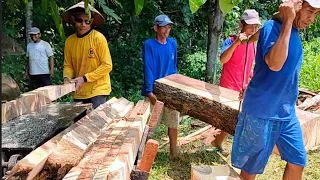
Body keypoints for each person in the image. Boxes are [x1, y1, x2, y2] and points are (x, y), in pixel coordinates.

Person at [231, 0, 320, 179]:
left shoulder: (294, 32)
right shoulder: (272, 27)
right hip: (261, 112)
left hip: (286, 113)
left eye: (316, 13)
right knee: (251, 168)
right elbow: (275, 64)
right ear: (296, 5)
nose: (312, 18)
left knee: (298, 160)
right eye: (310, 11)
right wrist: (288, 21)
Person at [209, 9, 261, 154]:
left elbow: (250, 65)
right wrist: (237, 43)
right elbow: (223, 60)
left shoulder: (253, 45)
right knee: (233, 119)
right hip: (228, 87)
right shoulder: (230, 41)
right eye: (250, 26)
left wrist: (251, 79)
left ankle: (218, 141)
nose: (253, 30)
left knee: (239, 120)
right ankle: (220, 142)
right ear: (241, 25)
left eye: (256, 27)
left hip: (244, 89)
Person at [141, 14, 180, 158]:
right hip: (154, 90)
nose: (166, 30)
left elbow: (174, 66)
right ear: (156, 28)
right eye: (163, 27)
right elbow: (148, 67)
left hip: (170, 90)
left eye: (168, 27)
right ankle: (141, 155)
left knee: (173, 121)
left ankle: (174, 152)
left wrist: (176, 87)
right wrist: (149, 91)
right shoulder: (149, 44)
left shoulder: (172, 43)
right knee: (149, 125)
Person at [62, 2, 113, 109]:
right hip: (79, 90)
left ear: (92, 22)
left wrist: (85, 78)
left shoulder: (98, 38)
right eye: (79, 20)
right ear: (73, 20)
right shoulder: (69, 41)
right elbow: (68, 65)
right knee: (78, 124)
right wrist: (67, 79)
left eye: (87, 21)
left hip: (98, 89)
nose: (83, 24)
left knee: (95, 123)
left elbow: (107, 65)